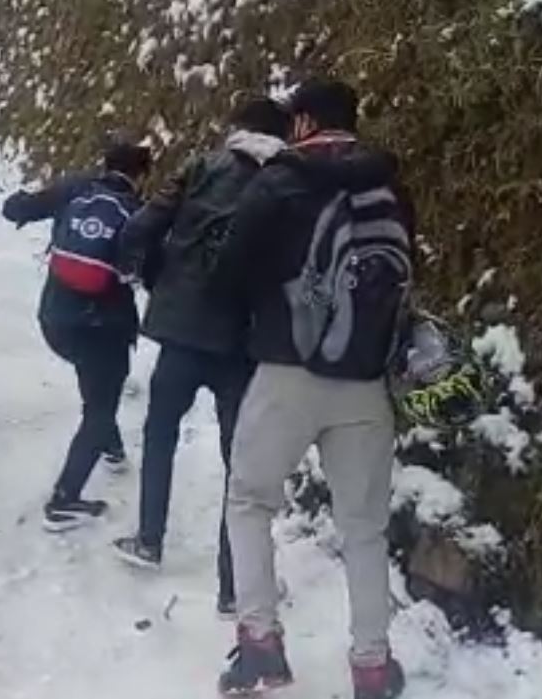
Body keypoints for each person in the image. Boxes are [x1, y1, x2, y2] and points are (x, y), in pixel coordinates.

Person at [214, 78, 415, 699]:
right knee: (364, 529)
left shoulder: (279, 180)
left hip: (285, 371)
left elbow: (228, 271)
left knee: (250, 503)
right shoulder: (389, 187)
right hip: (365, 382)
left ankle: (261, 651)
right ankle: (373, 669)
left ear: (301, 123)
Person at [112, 97, 290, 618]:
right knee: (240, 464)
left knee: (161, 432)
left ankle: (149, 539)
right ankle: (233, 587)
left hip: (182, 334)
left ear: (237, 130)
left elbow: (139, 230)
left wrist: (156, 283)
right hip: (242, 343)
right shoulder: (285, 185)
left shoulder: (199, 168)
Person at [2, 138, 153, 532]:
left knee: (94, 382)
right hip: (104, 326)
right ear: (141, 177)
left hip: (55, 318)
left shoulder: (76, 188)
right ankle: (64, 500)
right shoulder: (138, 212)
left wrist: (22, 199)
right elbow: (154, 272)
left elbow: (14, 209)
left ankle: (112, 447)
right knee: (100, 406)